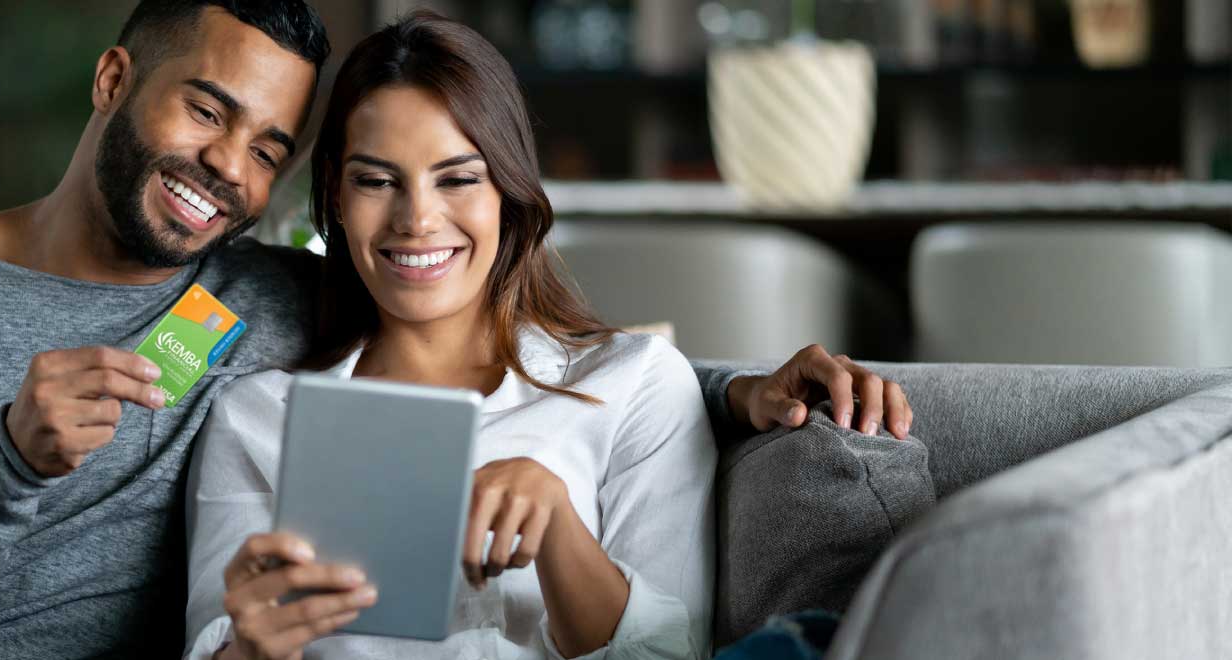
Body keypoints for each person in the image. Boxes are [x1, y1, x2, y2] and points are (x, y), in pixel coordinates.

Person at [0, 2, 907, 659]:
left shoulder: (246, 301)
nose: (227, 175)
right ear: (111, 81)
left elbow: (511, 351)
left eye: (265, 151)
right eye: (207, 111)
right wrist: (8, 459)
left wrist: (737, 394)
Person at [182, 12, 911, 660]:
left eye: (458, 179)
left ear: (508, 190)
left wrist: (560, 524)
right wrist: (249, 649)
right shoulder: (258, 417)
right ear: (336, 196)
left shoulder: (634, 384)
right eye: (377, 182)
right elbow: (212, 643)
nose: (417, 220)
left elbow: (668, 652)